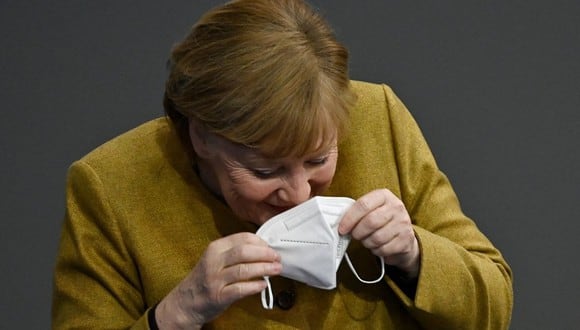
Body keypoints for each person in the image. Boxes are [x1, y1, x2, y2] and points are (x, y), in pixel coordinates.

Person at [52, 0, 513, 329]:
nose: (298, 193)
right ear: (201, 136)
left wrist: (414, 255)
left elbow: (494, 305)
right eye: (266, 171)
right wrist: (178, 313)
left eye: (317, 159)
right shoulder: (111, 185)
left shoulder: (379, 120)